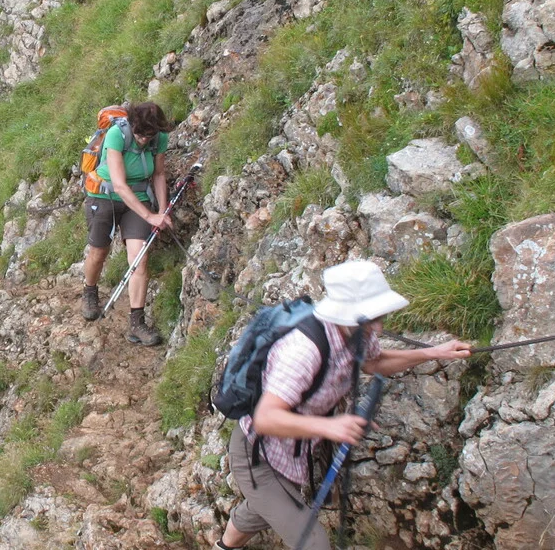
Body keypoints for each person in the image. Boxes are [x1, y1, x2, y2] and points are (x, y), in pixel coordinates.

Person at [218, 260, 471, 549]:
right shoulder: (302, 351)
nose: (378, 326)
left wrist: (433, 352)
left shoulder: (355, 331)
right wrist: (331, 426)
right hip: (258, 457)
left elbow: (375, 362)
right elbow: (265, 417)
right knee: (313, 542)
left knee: (263, 509)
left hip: (291, 454)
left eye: (380, 315)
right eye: (371, 317)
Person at [81, 101, 175, 346]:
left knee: (140, 258)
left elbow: (159, 174)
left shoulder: (159, 137)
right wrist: (150, 216)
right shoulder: (116, 134)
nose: (144, 140)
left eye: (149, 135)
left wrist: (163, 211)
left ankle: (137, 323)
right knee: (99, 252)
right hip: (105, 196)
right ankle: (90, 291)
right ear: (132, 126)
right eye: (140, 134)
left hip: (140, 198)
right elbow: (120, 185)